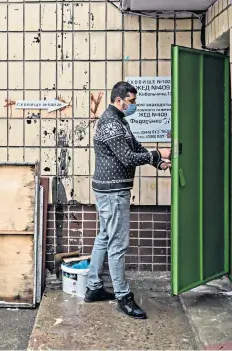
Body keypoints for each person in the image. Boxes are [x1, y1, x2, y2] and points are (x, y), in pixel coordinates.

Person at [85, 81, 171, 319]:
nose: (134, 105)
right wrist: (158, 154)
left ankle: (93, 287)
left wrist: (157, 162)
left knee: (104, 237)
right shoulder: (111, 123)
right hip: (112, 194)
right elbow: (126, 157)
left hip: (109, 191)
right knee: (117, 244)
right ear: (118, 100)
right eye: (131, 101)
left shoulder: (121, 121)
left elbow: (135, 147)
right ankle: (124, 297)